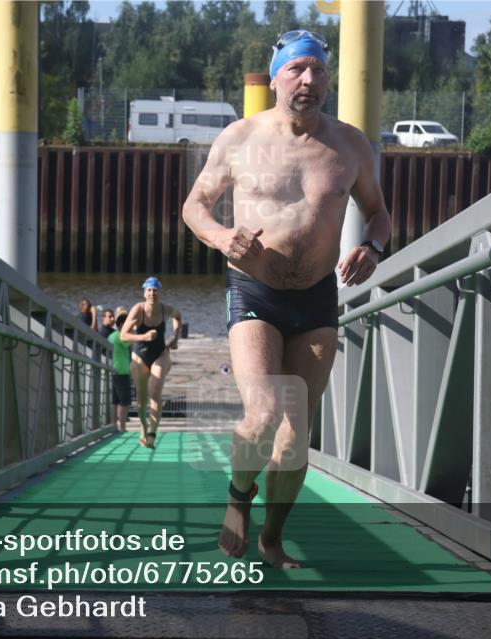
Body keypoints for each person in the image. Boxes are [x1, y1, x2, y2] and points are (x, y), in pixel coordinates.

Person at [182, 30, 391, 568]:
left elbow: (379, 212)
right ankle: (237, 499)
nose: (310, 80)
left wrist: (373, 245)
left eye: (319, 71)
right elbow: (195, 206)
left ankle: (272, 540)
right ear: (275, 77)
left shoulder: (350, 144)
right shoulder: (240, 137)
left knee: (297, 432)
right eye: (297, 69)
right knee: (264, 412)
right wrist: (223, 237)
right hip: (255, 289)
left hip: (317, 297)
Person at [119, 277, 182, 449]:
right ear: (144, 292)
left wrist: (175, 338)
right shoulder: (138, 309)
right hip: (140, 356)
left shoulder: (165, 309)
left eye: (155, 290)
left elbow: (178, 316)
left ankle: (153, 432)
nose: (152, 293)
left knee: (155, 390)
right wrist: (143, 337)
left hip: (160, 354)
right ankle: (143, 426)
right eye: (149, 290)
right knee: (141, 401)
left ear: (159, 292)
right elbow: (123, 336)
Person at [108, 308, 132, 432]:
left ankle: (113, 425)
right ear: (123, 324)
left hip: (113, 370)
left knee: (115, 400)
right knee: (124, 402)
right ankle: (122, 427)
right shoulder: (122, 336)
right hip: (122, 371)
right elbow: (131, 343)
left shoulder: (111, 336)